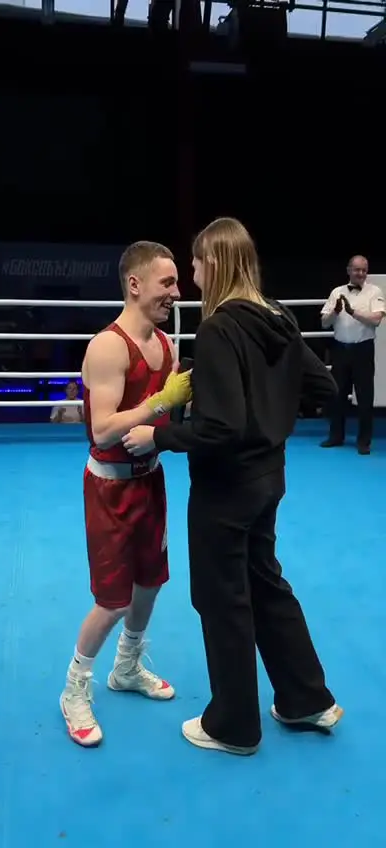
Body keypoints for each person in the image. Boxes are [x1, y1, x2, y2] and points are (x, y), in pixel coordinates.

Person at [123, 217, 343, 756]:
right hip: (269, 478)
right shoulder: (278, 316)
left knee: (221, 598)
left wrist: (158, 435)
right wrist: (269, 412)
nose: (192, 275)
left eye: (196, 264)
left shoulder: (220, 328)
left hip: (225, 488)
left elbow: (219, 428)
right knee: (265, 583)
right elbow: (323, 386)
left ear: (215, 263)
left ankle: (233, 725)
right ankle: (307, 698)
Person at [60, 240, 191, 747]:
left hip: (150, 480)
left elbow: (164, 417)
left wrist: (175, 413)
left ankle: (127, 667)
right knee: (112, 600)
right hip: (110, 489)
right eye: (167, 283)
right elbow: (103, 429)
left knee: (150, 582)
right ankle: (74, 688)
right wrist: (160, 402)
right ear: (135, 284)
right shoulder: (108, 347)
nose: (176, 293)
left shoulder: (166, 345)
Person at [320, 255, 385, 455]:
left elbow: (376, 320)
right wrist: (335, 312)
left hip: (363, 349)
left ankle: (364, 441)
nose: (361, 273)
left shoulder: (374, 291)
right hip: (340, 349)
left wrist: (353, 312)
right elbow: (324, 323)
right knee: (337, 394)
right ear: (348, 270)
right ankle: (336, 436)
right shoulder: (336, 292)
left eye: (364, 270)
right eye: (357, 269)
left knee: (365, 397)